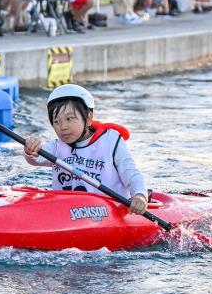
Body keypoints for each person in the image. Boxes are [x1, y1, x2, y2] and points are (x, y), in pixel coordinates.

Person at [23, 85, 149, 215]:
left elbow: (131, 172)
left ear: (88, 118)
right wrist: (31, 149)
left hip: (110, 211)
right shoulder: (57, 146)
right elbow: (35, 158)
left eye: (69, 119)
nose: (63, 127)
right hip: (66, 212)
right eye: (56, 121)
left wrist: (139, 195)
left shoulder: (111, 140)